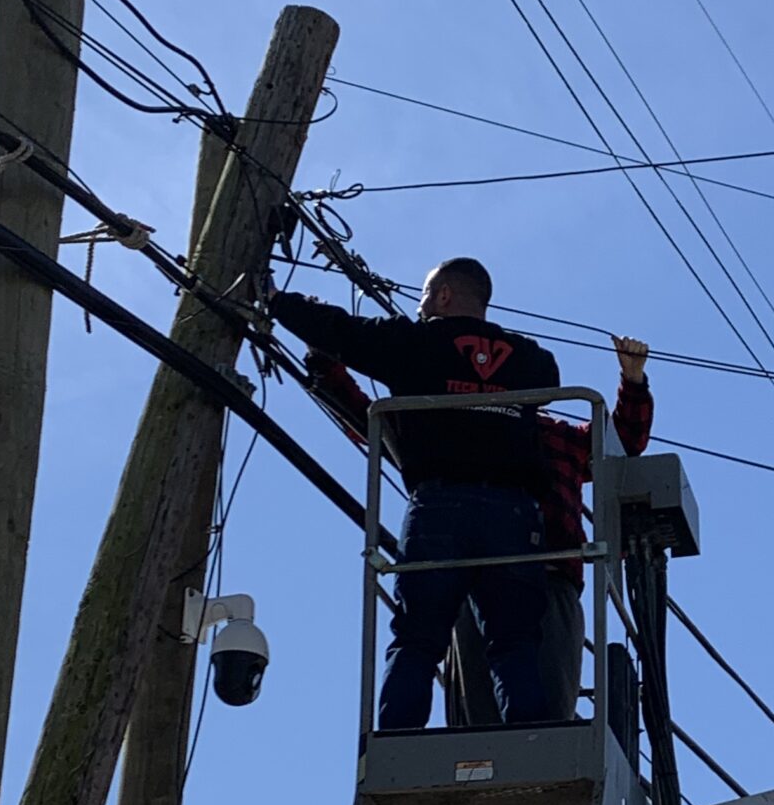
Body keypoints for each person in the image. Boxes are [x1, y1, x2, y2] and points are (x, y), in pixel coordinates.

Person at [271, 259, 561, 731]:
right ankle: (529, 737)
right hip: (514, 513)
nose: (421, 306)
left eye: (426, 296)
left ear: (444, 295)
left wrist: (278, 301)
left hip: (440, 505)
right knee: (515, 639)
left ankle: (399, 738)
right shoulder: (531, 359)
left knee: (419, 638)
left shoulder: (415, 343)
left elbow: (342, 331)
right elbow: (549, 384)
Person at [537, 334, 653, 722]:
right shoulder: (468, 427)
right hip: (488, 575)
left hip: (550, 578)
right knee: (487, 708)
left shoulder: (555, 435)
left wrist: (632, 380)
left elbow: (621, 442)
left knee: (549, 699)